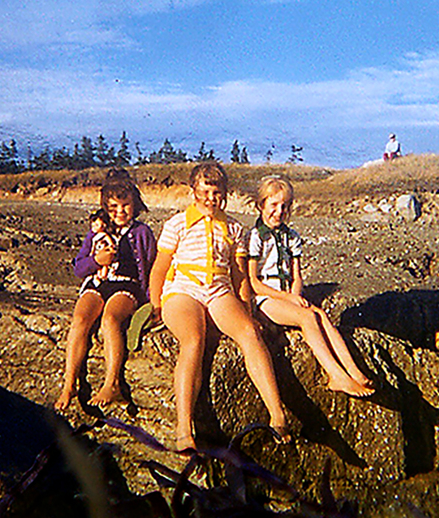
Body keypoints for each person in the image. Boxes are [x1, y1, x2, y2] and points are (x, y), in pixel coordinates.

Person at [149, 160, 293, 451]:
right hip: (183, 290)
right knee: (193, 339)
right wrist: (155, 304)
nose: (211, 199)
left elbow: (239, 273)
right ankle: (183, 428)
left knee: (250, 334)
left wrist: (247, 309)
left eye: (217, 193)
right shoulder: (177, 223)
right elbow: (159, 268)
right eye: (205, 191)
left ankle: (278, 414)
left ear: (225, 193)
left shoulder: (235, 228)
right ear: (193, 191)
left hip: (219, 290)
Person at [244, 176, 375, 397]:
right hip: (265, 299)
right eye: (273, 205)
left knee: (320, 315)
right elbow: (253, 283)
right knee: (307, 318)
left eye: (284, 206)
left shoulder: (292, 237)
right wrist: (289, 301)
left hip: (287, 297)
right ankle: (336, 375)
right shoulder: (255, 237)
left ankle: (354, 371)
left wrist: (295, 296)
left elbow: (297, 276)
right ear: (261, 205)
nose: (279, 211)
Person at [54, 171, 155, 410]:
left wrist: (150, 301)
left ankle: (113, 383)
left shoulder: (142, 232)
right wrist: (97, 261)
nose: (120, 212)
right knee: (80, 319)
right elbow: (79, 268)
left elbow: (151, 268)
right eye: (113, 207)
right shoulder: (96, 232)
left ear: (135, 203)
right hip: (97, 283)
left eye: (125, 205)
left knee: (110, 319)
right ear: (105, 207)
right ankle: (69, 384)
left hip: (126, 285)